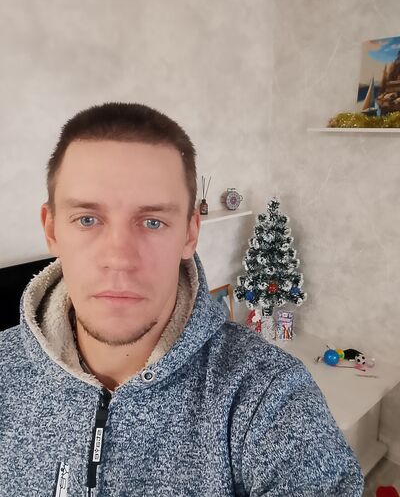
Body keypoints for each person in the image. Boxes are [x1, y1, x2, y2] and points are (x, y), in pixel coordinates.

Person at [0, 102, 364, 496]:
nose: (119, 259)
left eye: (152, 221)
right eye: (88, 219)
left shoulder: (266, 392)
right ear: (52, 229)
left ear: (190, 234)